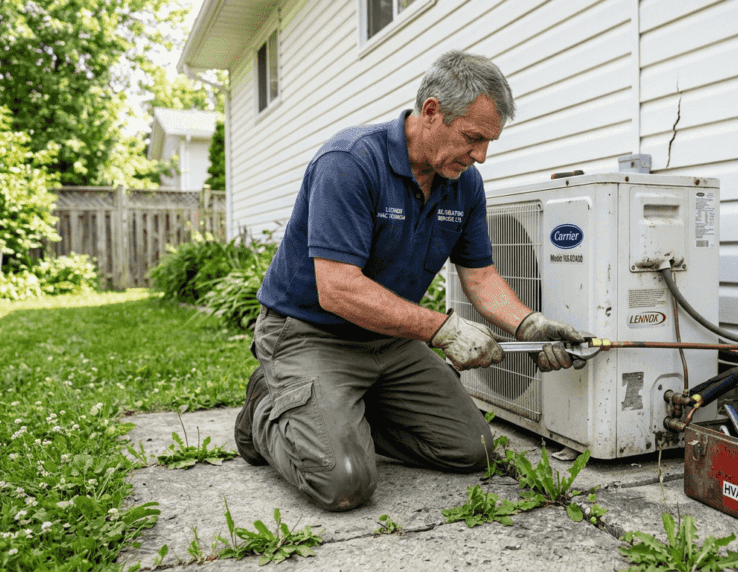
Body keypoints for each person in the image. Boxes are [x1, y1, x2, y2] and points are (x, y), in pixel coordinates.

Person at [235, 50, 586, 512]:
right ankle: (266, 407)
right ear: (431, 112)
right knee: (345, 482)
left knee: (473, 450)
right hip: (308, 333)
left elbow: (480, 278)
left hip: (388, 339)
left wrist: (529, 326)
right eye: (473, 138)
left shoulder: (464, 183)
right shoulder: (350, 162)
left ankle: (339, 413)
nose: (480, 155)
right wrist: (441, 329)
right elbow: (337, 288)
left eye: (488, 142)